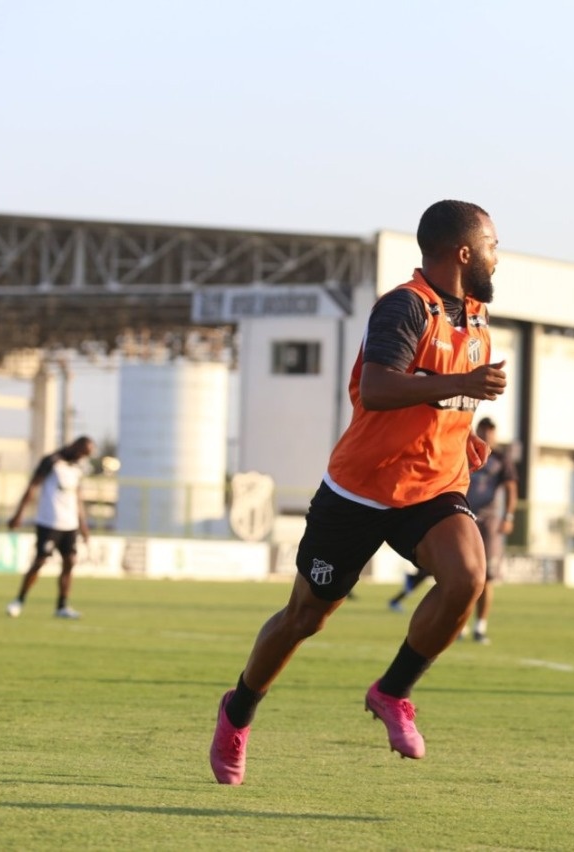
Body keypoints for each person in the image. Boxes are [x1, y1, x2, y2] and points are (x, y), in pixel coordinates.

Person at [210, 200, 506, 786]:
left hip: (432, 487)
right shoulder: (405, 306)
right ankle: (237, 711)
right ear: (463, 252)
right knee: (304, 618)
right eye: (493, 246)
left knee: (468, 577)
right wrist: (462, 385)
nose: (498, 257)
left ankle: (392, 691)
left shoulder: (475, 318)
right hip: (360, 492)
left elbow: (443, 399)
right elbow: (377, 388)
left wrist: (463, 434)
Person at [5, 436, 95, 619]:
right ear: (75, 446)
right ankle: (19, 600)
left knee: (70, 562)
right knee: (40, 562)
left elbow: (77, 498)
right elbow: (33, 486)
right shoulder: (51, 461)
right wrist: (19, 513)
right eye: (83, 452)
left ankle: (62, 606)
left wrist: (83, 525)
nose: (83, 457)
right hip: (49, 522)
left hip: (70, 524)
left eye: (86, 455)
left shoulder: (77, 468)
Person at [463, 417, 517, 643]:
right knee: (461, 573)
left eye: (490, 431)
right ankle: (459, 625)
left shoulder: (501, 459)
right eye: (483, 430)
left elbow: (511, 487)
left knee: (487, 577)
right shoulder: (464, 452)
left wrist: (508, 516)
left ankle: (480, 627)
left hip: (489, 522)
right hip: (464, 516)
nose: (487, 434)